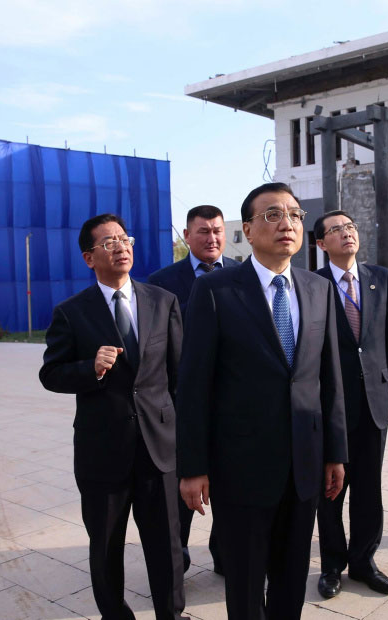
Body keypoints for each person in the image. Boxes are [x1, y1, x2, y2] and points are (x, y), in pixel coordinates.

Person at [177, 182, 348, 619]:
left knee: (292, 582)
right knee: (247, 584)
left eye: (293, 214)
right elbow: (194, 384)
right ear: (248, 231)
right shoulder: (216, 290)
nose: (286, 223)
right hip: (241, 467)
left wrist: (335, 452)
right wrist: (193, 467)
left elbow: (329, 379)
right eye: (272, 214)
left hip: (305, 465)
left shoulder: (317, 289)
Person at [39, 214, 186, 619]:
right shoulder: (72, 312)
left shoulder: (162, 301)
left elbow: (179, 377)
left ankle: (170, 614)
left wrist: (187, 443)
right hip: (102, 451)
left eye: (125, 239)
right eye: (108, 243)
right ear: (90, 258)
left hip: (159, 448)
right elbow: (49, 374)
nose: (121, 247)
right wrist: (90, 368)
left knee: (167, 544)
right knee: (106, 546)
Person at [313, 210, 388, 598]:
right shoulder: (312, 285)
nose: (346, 234)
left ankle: (365, 561)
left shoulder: (379, 278)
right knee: (331, 489)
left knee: (369, 488)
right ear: (321, 244)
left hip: (374, 401)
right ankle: (332, 566)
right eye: (335, 230)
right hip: (328, 406)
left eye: (349, 227)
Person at [148, 204, 241, 574]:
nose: (212, 237)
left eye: (217, 230)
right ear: (187, 236)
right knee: (181, 485)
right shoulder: (162, 281)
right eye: (203, 231)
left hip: (234, 402)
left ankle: (224, 552)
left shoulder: (242, 273)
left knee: (230, 485)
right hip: (180, 401)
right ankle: (177, 557)